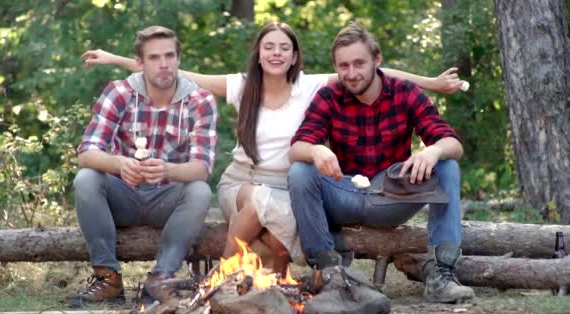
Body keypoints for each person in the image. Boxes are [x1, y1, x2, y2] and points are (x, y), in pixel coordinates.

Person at [81, 22, 465, 275]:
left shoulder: (313, 86)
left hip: (292, 189)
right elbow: (176, 72)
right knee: (260, 202)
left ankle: (258, 281)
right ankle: (223, 277)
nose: (277, 53)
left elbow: (380, 73)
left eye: (284, 47)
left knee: (276, 247)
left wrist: (430, 83)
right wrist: (117, 60)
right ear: (260, 53)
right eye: (269, 47)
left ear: (295, 55)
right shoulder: (243, 85)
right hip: (245, 182)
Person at [287, 22, 474, 303]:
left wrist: (431, 152)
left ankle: (441, 276)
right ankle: (329, 274)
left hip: (393, 196)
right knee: (300, 171)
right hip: (345, 193)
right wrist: (315, 151)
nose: (351, 74)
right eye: (343, 66)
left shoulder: (405, 93)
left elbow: (453, 144)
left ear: (377, 59)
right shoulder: (329, 96)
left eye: (359, 63)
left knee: (447, 165)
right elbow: (296, 148)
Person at [68, 25, 218, 307]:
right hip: (123, 195)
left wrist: (167, 170)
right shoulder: (119, 93)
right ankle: (108, 279)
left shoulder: (200, 100)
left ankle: (161, 278)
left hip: (168, 199)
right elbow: (86, 153)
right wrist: (119, 163)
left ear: (178, 59)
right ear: (139, 62)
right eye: (154, 57)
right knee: (86, 179)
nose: (164, 64)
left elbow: (202, 167)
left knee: (200, 191)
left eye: (170, 56)